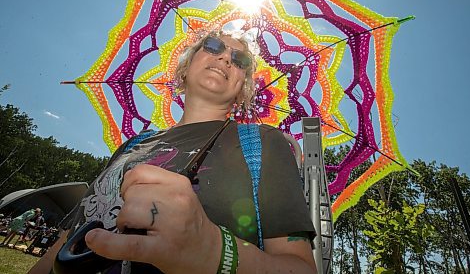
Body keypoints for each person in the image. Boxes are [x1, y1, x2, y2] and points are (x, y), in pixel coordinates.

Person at [36, 30, 316, 274]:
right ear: (185, 67)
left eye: (240, 60)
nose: (225, 58)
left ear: (243, 89)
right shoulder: (133, 145)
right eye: (213, 46)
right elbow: (66, 241)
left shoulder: (265, 144)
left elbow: (300, 267)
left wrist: (215, 252)